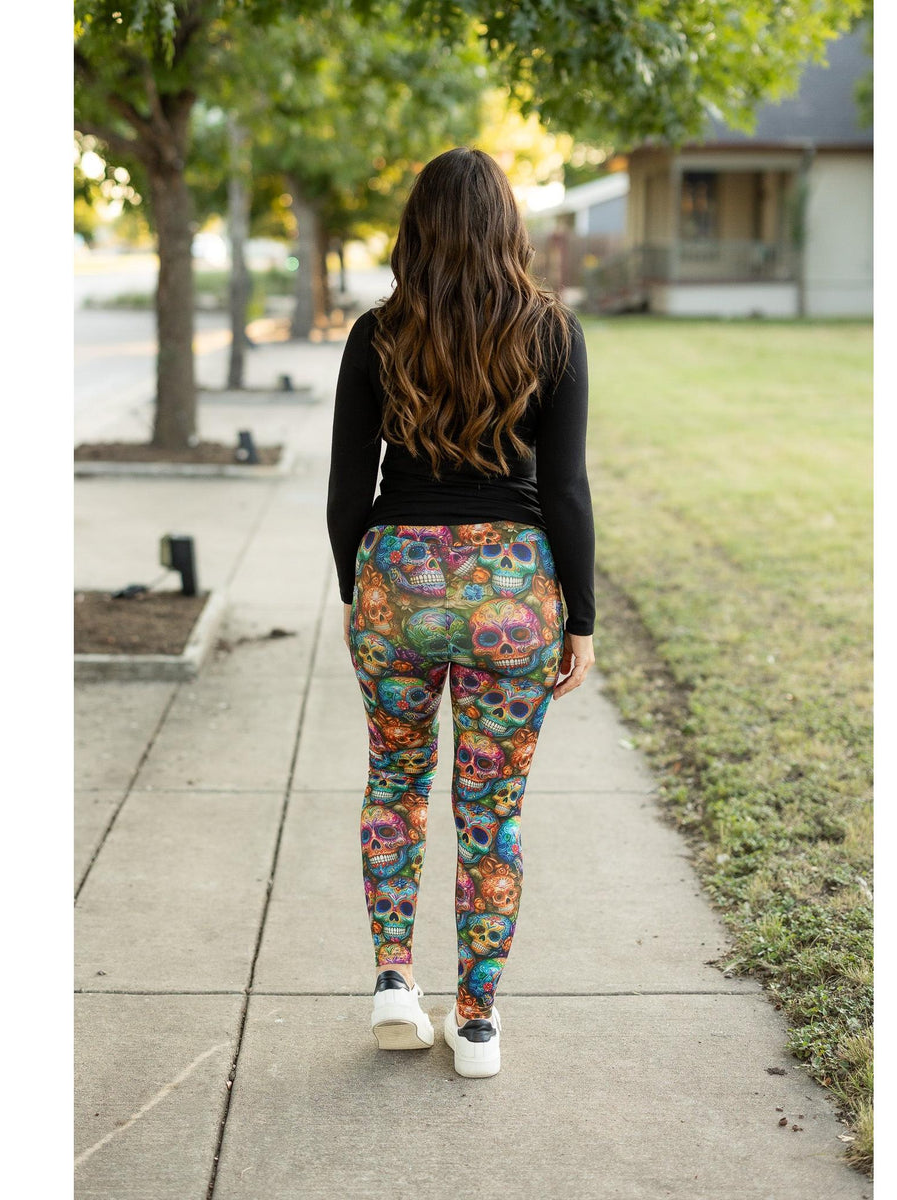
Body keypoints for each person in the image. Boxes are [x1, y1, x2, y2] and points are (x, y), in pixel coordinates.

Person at [326, 146, 596, 1079]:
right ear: (508, 228)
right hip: (511, 594)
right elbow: (565, 491)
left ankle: (394, 982)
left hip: (396, 585)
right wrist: (581, 618)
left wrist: (359, 591)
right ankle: (476, 1022)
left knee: (394, 783)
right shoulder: (552, 334)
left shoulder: (378, 334)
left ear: (417, 230)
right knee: (492, 810)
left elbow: (346, 488)